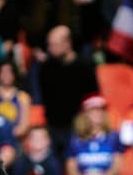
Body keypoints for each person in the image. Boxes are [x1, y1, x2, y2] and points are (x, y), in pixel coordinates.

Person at [37, 25, 100, 166]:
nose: (50, 49)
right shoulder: (46, 68)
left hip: (78, 127)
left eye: (54, 45)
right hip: (53, 126)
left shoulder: (85, 67)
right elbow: (43, 97)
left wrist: (86, 123)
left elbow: (93, 98)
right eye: (49, 44)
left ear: (67, 44)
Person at [0, 59, 32, 142]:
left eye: (9, 72)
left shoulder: (23, 97)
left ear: (14, 74)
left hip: (16, 139)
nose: (6, 75)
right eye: (3, 72)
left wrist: (7, 135)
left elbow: (24, 125)